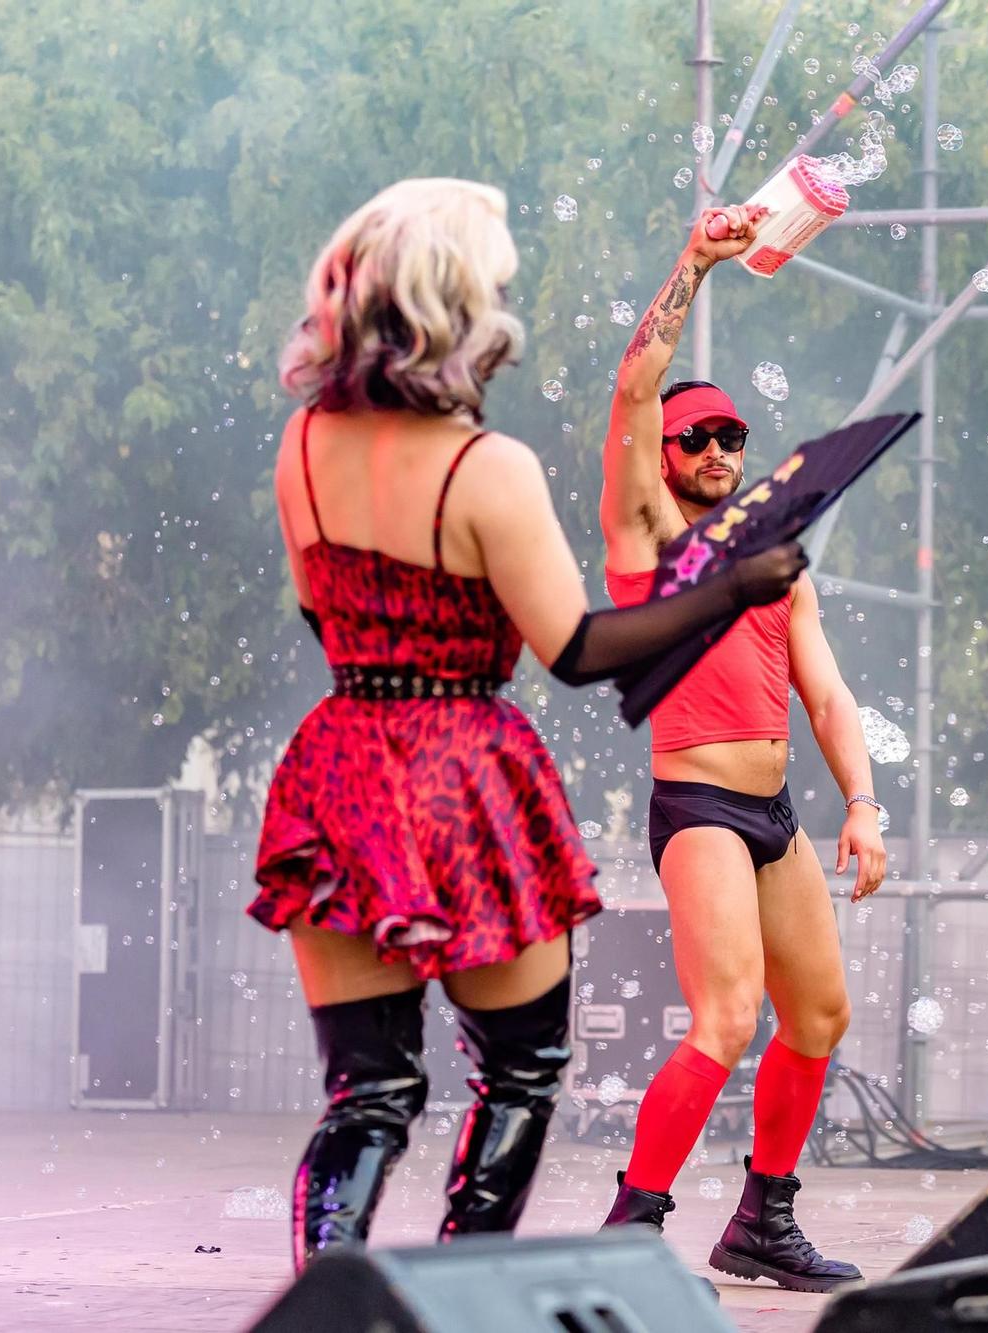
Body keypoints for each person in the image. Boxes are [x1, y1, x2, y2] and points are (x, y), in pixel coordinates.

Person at [249, 178, 806, 1273]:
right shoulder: (486, 468)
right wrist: (735, 587)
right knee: (518, 1068)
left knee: (366, 1094)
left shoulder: (302, 447)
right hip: (462, 775)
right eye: (496, 287)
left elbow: (320, 610)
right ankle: (460, 1299)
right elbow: (579, 647)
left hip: (341, 763)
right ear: (460, 308)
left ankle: (330, 1304)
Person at [594, 203, 888, 1295]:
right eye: (696, 439)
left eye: (731, 438)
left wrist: (862, 801)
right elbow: (635, 387)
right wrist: (695, 261)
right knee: (725, 1017)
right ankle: (631, 1229)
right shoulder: (646, 534)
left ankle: (761, 1222)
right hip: (698, 806)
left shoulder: (774, 553)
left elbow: (824, 686)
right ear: (662, 458)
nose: (717, 451)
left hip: (775, 815)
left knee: (817, 1014)